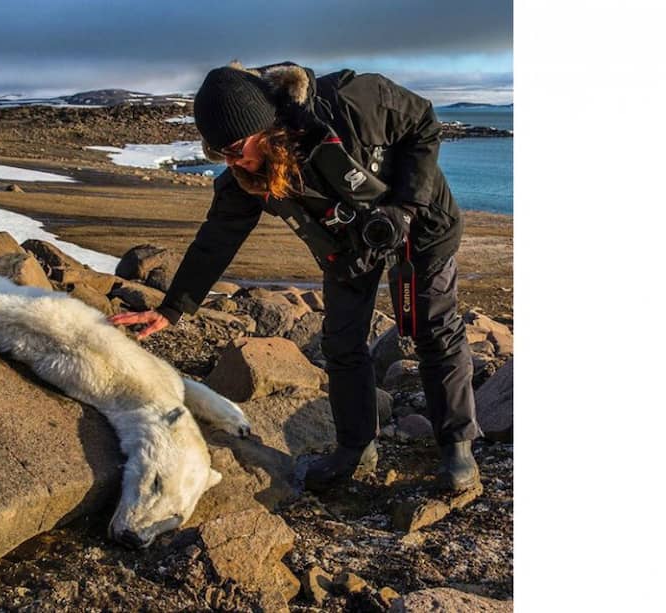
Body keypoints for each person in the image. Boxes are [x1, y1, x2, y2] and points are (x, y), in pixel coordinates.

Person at [110, 61, 482, 492]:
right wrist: (173, 308)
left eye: (236, 148)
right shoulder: (245, 175)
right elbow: (217, 239)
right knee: (342, 340)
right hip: (347, 244)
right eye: (221, 155)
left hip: (420, 220)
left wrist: (404, 208)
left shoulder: (352, 101)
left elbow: (423, 122)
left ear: (267, 128)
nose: (233, 163)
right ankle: (356, 447)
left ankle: (457, 446)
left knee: (431, 328)